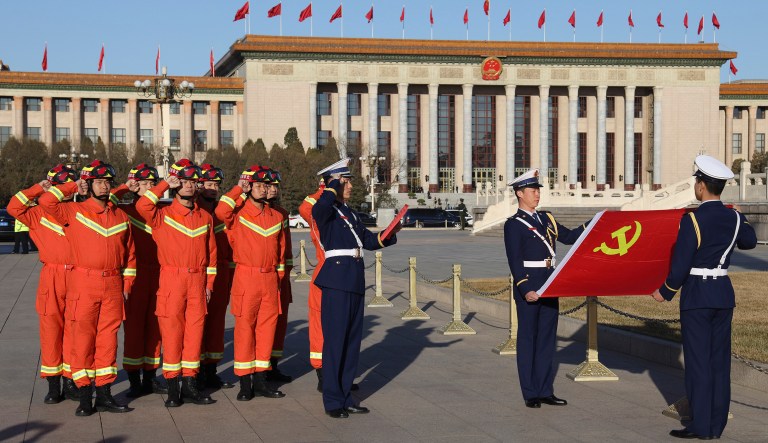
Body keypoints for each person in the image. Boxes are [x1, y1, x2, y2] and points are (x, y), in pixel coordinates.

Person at [651, 155, 757, 440]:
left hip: (697, 295)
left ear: (701, 186)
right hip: (722, 294)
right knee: (719, 364)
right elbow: (749, 241)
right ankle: (716, 425)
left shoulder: (693, 220)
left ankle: (700, 425)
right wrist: (739, 216)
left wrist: (666, 291)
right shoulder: (733, 217)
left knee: (698, 363)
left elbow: (681, 265)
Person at [39, 159, 135, 416]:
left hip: (113, 284)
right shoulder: (74, 212)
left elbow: (130, 255)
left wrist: (127, 283)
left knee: (108, 341)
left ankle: (104, 394)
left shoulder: (121, 216)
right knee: (82, 339)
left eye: (107, 182)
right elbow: (46, 202)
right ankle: (83, 395)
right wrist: (73, 185)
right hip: (84, 283)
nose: (104, 187)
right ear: (89, 185)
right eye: (98, 182)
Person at [312, 158, 400, 419]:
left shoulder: (348, 212)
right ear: (333, 183)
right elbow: (319, 211)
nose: (350, 185)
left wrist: (389, 234)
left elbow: (368, 241)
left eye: (348, 181)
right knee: (335, 343)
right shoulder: (326, 209)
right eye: (345, 181)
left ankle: (346, 396)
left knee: (350, 344)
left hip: (353, 278)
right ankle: (332, 400)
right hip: (336, 280)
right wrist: (331, 187)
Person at [503, 168, 588, 409]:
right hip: (530, 284)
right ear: (520, 193)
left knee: (547, 340)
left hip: (551, 281)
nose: (537, 195)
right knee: (528, 338)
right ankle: (530, 392)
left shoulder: (546, 219)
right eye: (532, 190)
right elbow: (515, 260)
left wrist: (596, 222)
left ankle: (544, 390)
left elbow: (570, 236)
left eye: (538, 190)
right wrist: (524, 288)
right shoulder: (514, 224)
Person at [135, 159, 217, 407]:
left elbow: (211, 254)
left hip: (198, 280)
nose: (189, 186)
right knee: (172, 335)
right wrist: (162, 185)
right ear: (175, 184)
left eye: (193, 181)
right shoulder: (162, 215)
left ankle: (190, 385)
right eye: (183, 181)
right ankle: (173, 388)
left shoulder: (205, 216)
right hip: (172, 279)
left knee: (194, 334)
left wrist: (209, 284)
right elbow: (142, 205)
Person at [7, 164, 81, 403]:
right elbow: (13, 207)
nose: (66, 191)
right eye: (62, 185)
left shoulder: (80, 211)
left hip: (78, 276)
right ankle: (53, 383)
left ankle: (71, 380)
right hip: (52, 275)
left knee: (74, 329)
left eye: (70, 185)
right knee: (51, 330)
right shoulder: (37, 213)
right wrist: (37, 189)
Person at [215, 165, 287, 401]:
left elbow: (281, 251)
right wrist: (239, 189)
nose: (264, 189)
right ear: (250, 187)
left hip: (269, 279)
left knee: (267, 331)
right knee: (245, 330)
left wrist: (278, 279)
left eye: (266, 185)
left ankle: (261, 380)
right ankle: (245, 383)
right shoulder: (238, 214)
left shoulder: (277, 216)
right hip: (246, 277)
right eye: (258, 185)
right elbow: (220, 211)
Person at [109, 163, 167, 398]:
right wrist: (124, 186)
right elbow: (104, 200)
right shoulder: (123, 210)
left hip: (161, 274)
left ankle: (151, 377)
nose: (149, 187)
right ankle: (134, 379)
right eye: (143, 184)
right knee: (134, 330)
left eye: (153, 183)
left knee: (156, 329)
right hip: (135, 274)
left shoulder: (163, 210)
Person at [196, 163, 236, 390]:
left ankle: (211, 371)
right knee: (198, 324)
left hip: (221, 272)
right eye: (208, 184)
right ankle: (196, 372)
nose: (212, 189)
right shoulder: (195, 209)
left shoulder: (222, 209)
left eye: (216, 185)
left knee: (216, 324)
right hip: (200, 272)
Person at [264, 168, 294, 383]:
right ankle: (260, 369)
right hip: (262, 277)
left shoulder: (282, 213)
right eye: (268, 186)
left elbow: (287, 247)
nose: (272, 190)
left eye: (275, 186)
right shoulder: (246, 212)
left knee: (280, 323)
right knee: (263, 324)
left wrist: (287, 271)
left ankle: (273, 365)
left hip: (281, 278)